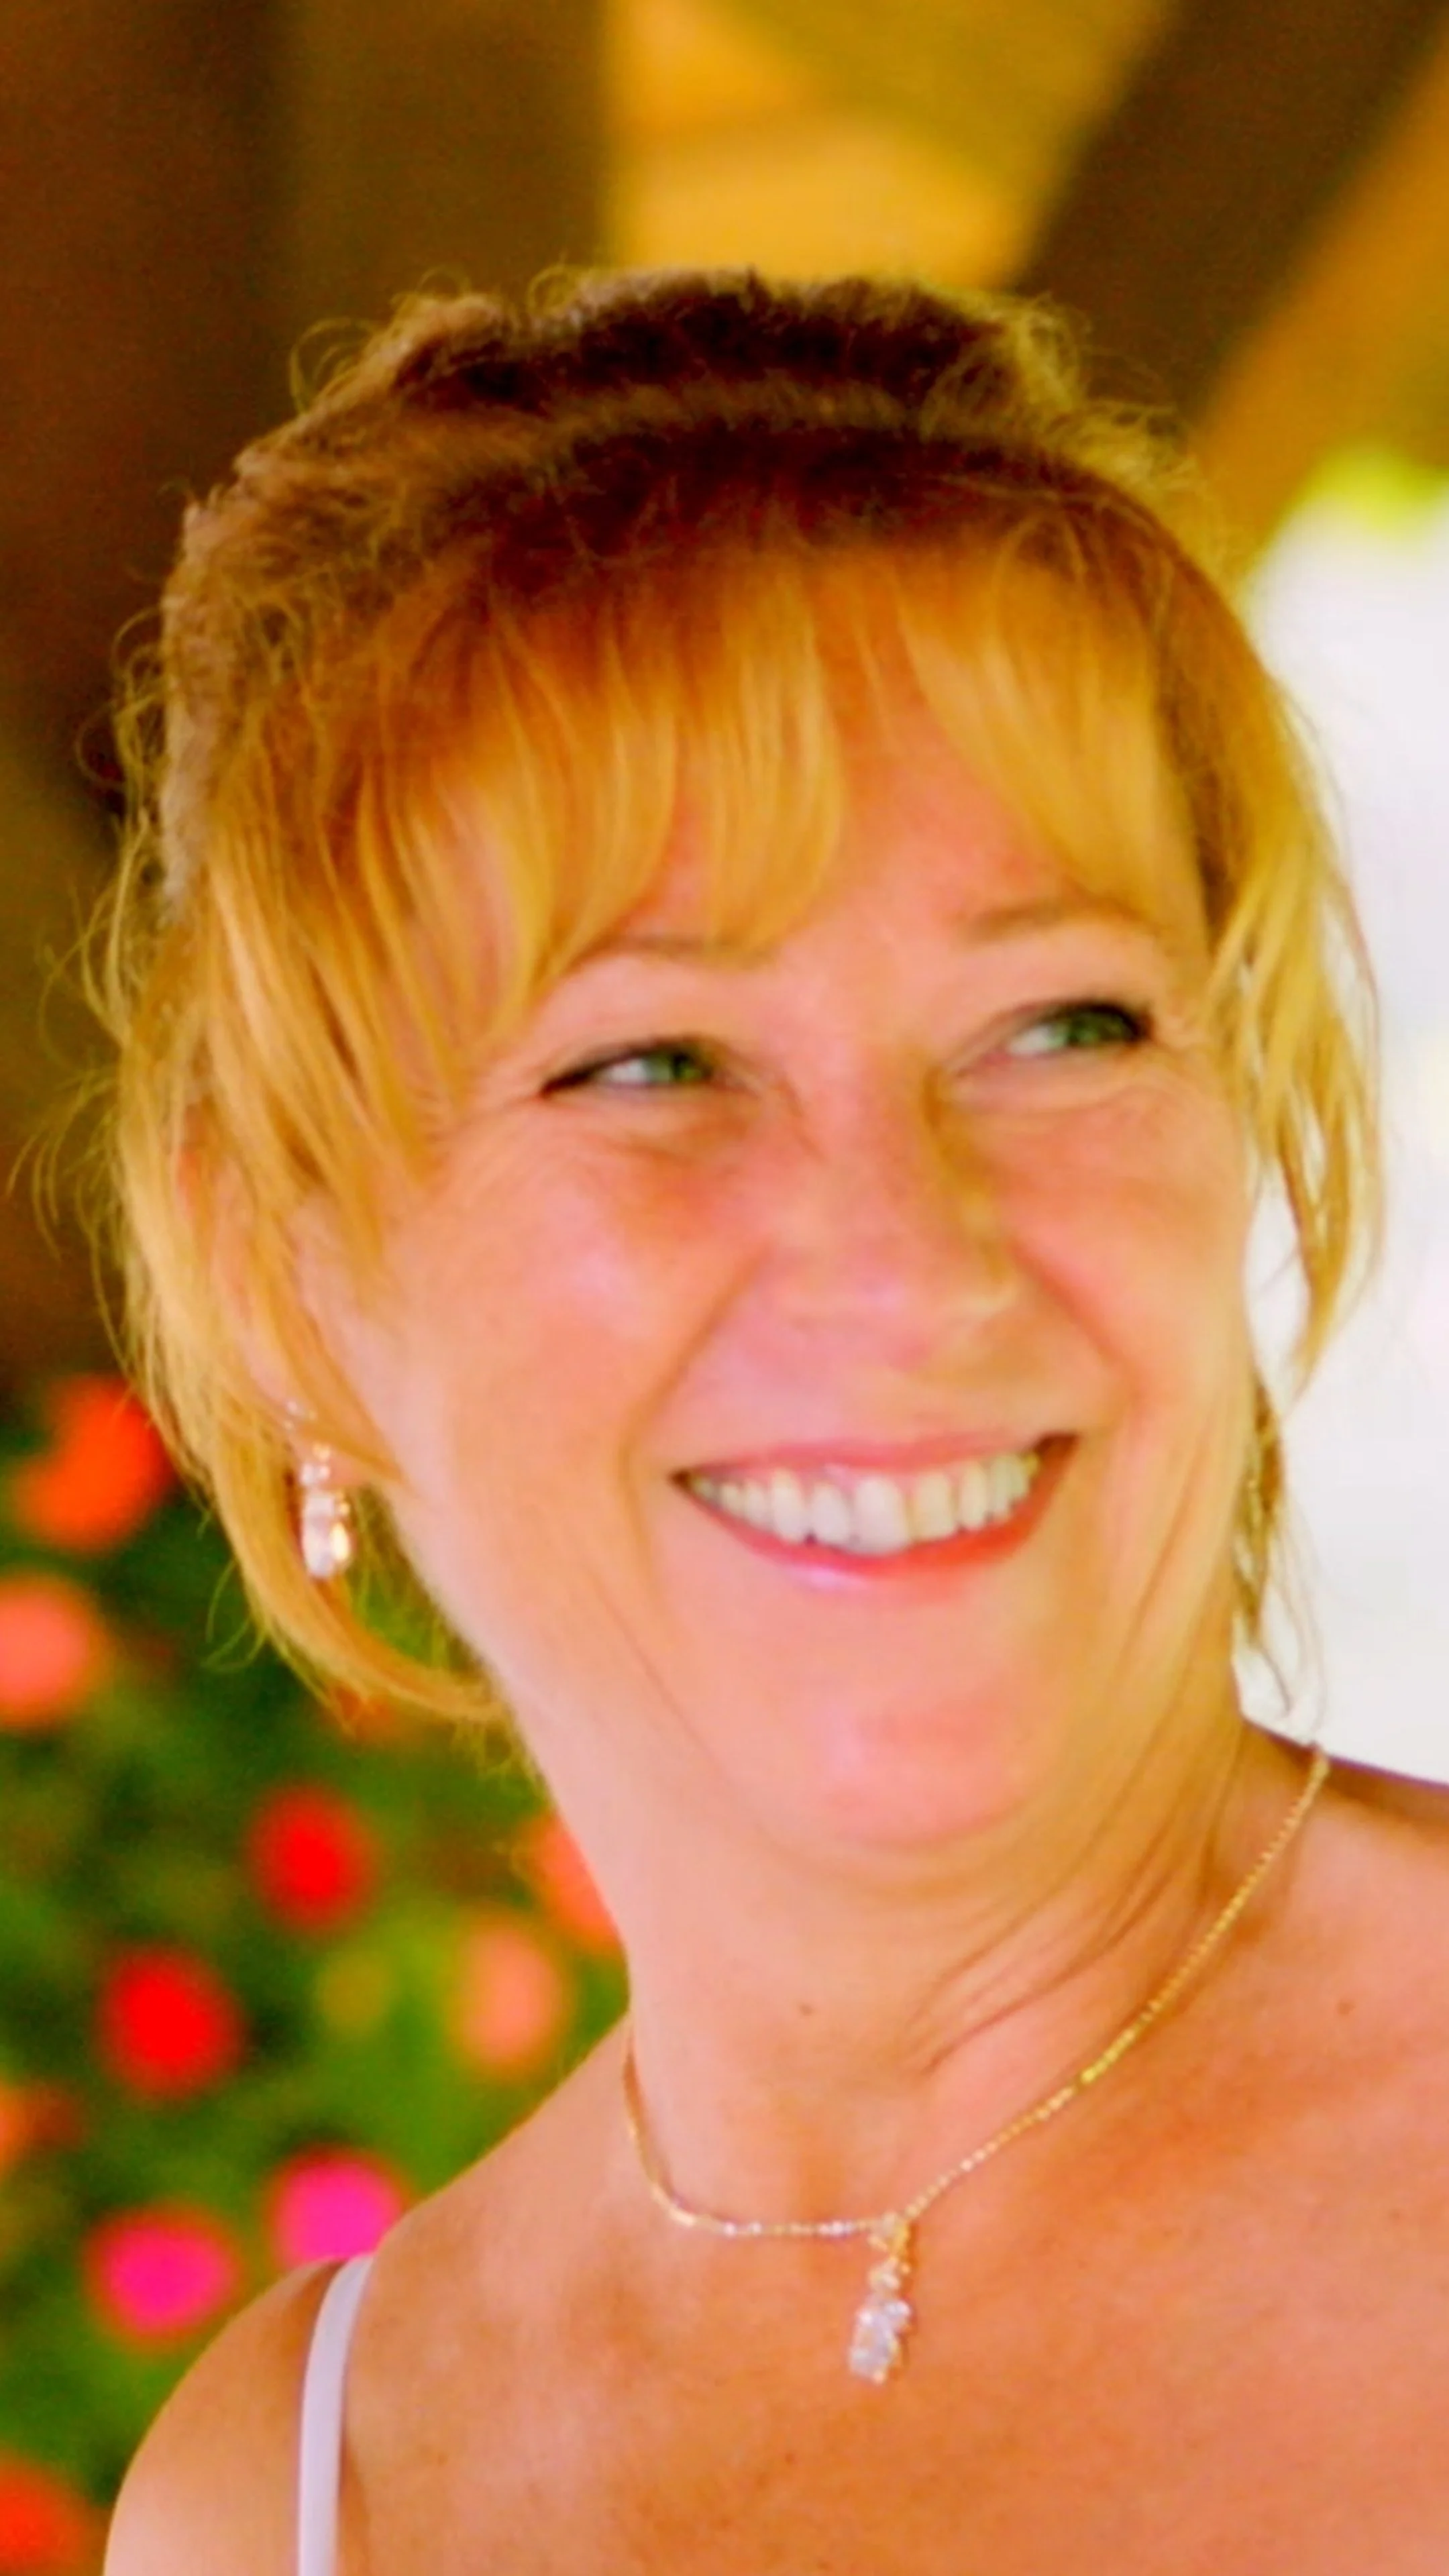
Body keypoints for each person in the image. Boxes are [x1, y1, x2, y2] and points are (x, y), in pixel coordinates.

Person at [99, 270, 1449, 2574]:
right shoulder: (288, 2497)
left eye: (1064, 1026)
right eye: (651, 1065)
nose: (907, 1258)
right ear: (280, 1272)